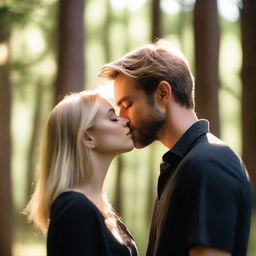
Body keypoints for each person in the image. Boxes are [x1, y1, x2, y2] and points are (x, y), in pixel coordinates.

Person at [98, 39, 253, 256]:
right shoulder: (184, 164)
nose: (122, 118)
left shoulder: (209, 164)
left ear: (162, 93)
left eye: (127, 104)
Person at [24, 91, 138, 256]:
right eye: (113, 118)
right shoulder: (75, 209)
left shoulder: (100, 212)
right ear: (87, 137)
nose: (126, 120)